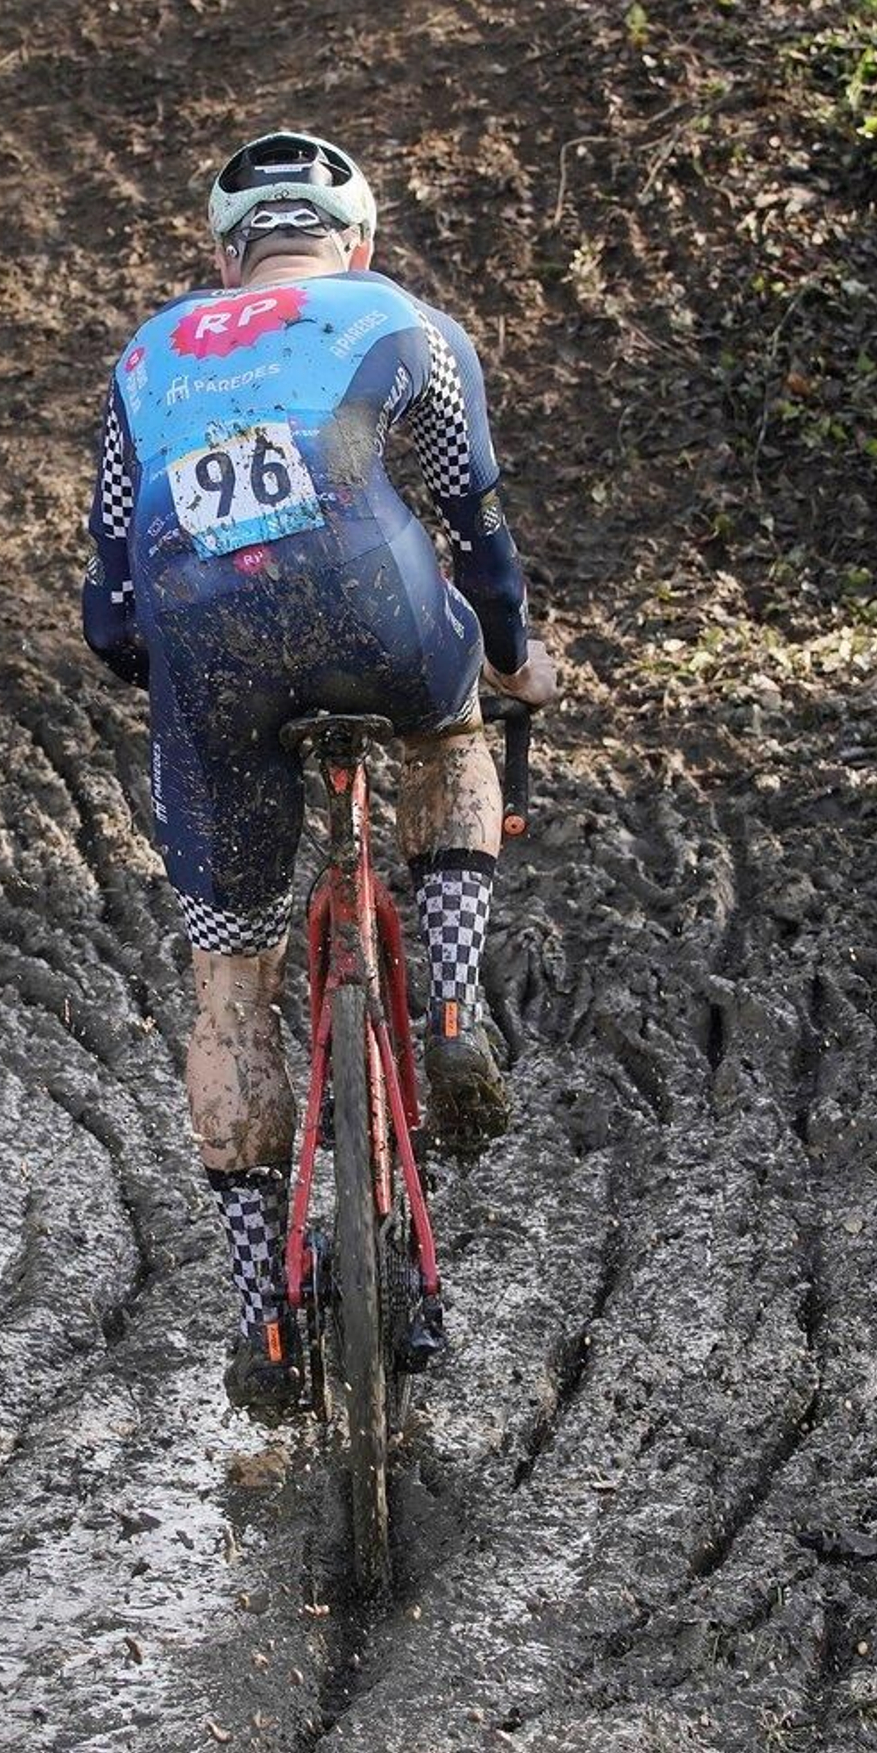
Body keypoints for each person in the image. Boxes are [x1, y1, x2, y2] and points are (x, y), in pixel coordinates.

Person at [82, 131, 558, 1421]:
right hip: (380, 614)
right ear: (355, 242)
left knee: (230, 986)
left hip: (213, 656)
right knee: (450, 732)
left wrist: (201, 688)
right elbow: (479, 529)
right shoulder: (404, 318)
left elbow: (111, 611)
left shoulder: (147, 355)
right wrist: (512, 661)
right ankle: (450, 1011)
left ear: (227, 252)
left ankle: (261, 1320)